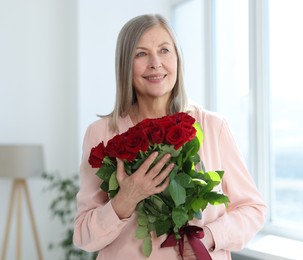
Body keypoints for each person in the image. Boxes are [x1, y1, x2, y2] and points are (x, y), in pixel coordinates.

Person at [73, 14, 267, 260]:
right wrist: (125, 199)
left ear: (177, 58)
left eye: (164, 50)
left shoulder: (213, 126)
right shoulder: (101, 134)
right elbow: (83, 236)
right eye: (141, 54)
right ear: (125, 64)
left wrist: (207, 236)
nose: (155, 63)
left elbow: (252, 209)